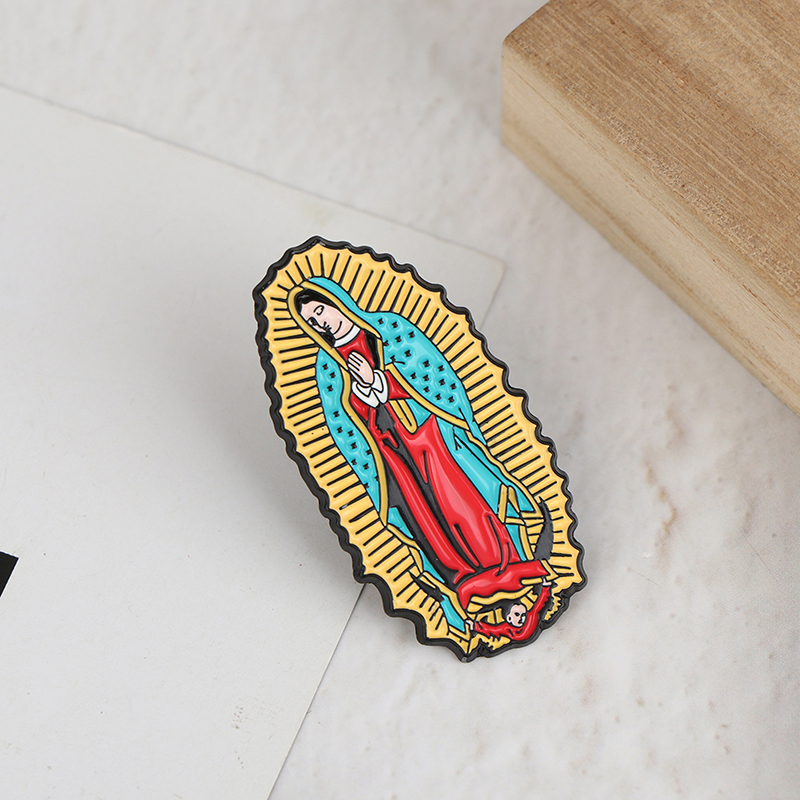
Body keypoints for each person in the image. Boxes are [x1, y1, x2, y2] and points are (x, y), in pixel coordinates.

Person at [292, 278, 551, 633]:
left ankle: (501, 562)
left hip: (428, 435)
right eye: (311, 321)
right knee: (423, 517)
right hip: (389, 451)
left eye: (321, 310)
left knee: (460, 501)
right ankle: (461, 578)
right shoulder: (327, 366)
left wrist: (380, 381)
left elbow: (431, 377)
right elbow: (343, 423)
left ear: (336, 301)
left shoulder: (389, 329)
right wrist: (364, 392)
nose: (321, 322)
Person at [466, 582, 551, 642]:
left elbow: (540, 603)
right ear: (509, 618)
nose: (521, 618)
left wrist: (545, 587)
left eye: (523, 614)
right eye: (517, 614)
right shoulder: (506, 629)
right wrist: (475, 626)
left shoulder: (532, 617)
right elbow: (493, 630)